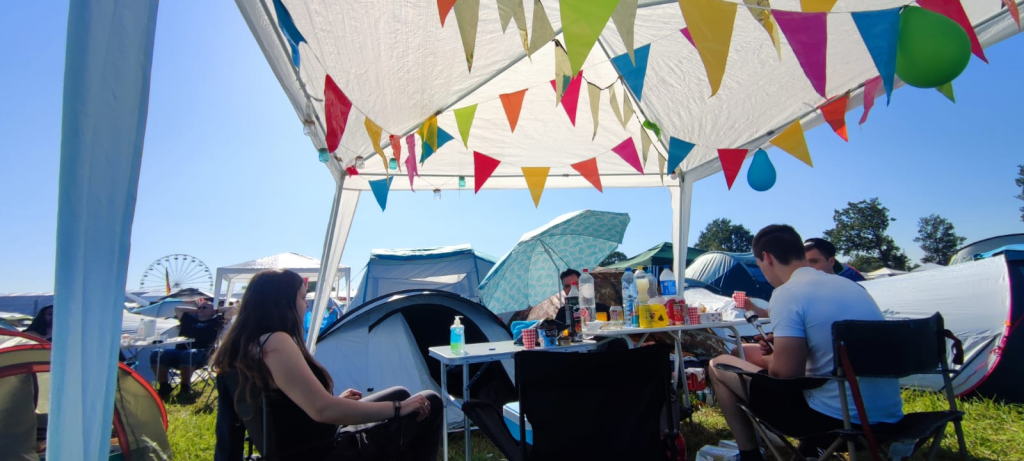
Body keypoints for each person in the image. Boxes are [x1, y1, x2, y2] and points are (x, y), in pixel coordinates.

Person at [709, 225, 903, 461]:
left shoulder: (788, 293)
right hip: (890, 418)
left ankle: (750, 454)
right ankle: (804, 451)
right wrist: (782, 346)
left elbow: (786, 375)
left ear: (766, 258)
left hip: (833, 420)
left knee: (718, 364)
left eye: (760, 265)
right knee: (747, 357)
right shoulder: (852, 287)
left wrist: (774, 356)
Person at [210, 269, 442, 460]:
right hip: (321, 451)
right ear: (282, 303)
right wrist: (399, 408)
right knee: (429, 401)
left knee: (400, 393)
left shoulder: (241, 347)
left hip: (300, 442)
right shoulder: (276, 342)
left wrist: (338, 402)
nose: (306, 306)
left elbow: (238, 428)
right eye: (302, 298)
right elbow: (322, 410)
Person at [151, 300, 226, 399]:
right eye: (200, 307)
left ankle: (185, 388)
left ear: (212, 312)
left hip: (202, 354)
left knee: (188, 354)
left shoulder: (216, 321)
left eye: (204, 308)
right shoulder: (189, 319)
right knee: (157, 354)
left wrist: (215, 311)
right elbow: (177, 309)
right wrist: (197, 310)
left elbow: (233, 309)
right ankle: (164, 386)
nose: (201, 309)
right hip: (179, 352)